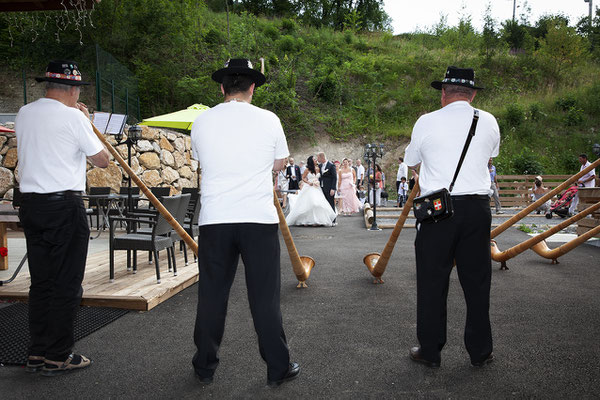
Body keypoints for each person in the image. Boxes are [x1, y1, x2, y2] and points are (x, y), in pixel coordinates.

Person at [190, 58, 299, 387]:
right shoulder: (269, 120)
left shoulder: (201, 122)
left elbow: (199, 160)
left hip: (215, 219)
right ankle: (277, 367)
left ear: (222, 87)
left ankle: (204, 366)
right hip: (258, 219)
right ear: (253, 87)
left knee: (212, 295)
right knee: (264, 298)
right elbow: (279, 163)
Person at [16, 60, 109, 376]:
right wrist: (86, 121)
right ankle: (57, 355)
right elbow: (102, 160)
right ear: (73, 90)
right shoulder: (74, 117)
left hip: (30, 205)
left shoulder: (25, 114)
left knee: (41, 282)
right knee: (67, 282)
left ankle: (37, 352)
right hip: (64, 206)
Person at [404, 66, 500, 368]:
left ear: (443, 93)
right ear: (471, 94)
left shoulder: (426, 121)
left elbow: (411, 161)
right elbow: (489, 157)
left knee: (432, 282)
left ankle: (431, 351)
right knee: (477, 281)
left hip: (438, 210)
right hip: (476, 208)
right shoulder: (488, 120)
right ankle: (480, 350)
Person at [285, 156, 337, 226]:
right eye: (314, 159)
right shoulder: (307, 169)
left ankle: (317, 220)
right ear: (311, 161)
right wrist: (308, 182)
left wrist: (318, 182)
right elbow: (303, 178)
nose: (316, 160)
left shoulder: (319, 168)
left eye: (316, 159)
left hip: (317, 187)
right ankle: (307, 220)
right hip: (309, 187)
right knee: (310, 203)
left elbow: (321, 177)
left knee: (318, 204)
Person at [317, 152, 337, 219]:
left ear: (322, 157)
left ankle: (333, 219)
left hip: (329, 188)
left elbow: (334, 177)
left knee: (331, 203)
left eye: (318, 157)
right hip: (322, 187)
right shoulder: (319, 166)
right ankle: (326, 219)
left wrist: (333, 188)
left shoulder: (331, 165)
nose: (317, 159)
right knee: (324, 204)